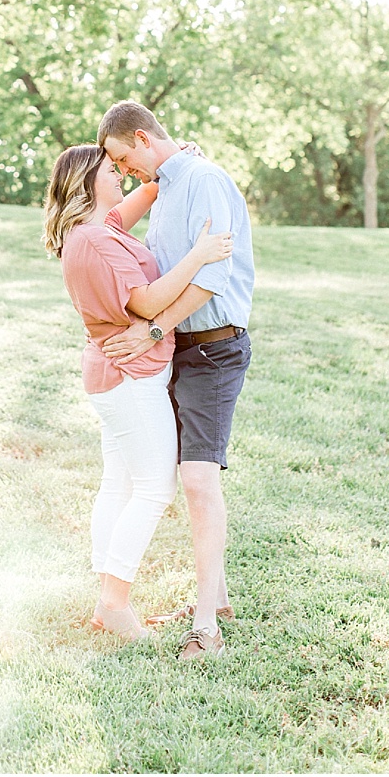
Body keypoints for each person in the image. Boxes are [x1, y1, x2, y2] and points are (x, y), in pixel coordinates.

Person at [43, 144, 234, 642]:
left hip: (110, 373)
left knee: (120, 482)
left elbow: (136, 200)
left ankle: (105, 593)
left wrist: (165, 169)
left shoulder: (92, 230)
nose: (121, 175)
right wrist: (201, 253)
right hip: (131, 375)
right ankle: (113, 603)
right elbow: (146, 302)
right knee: (153, 488)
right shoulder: (97, 241)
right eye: (112, 171)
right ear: (89, 183)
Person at [97, 100, 255, 661]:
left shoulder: (205, 180)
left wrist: (151, 329)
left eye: (122, 158)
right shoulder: (165, 186)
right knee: (181, 475)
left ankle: (207, 627)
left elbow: (212, 276)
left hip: (211, 350)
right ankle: (219, 597)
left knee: (196, 481)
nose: (123, 172)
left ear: (141, 137)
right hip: (174, 353)